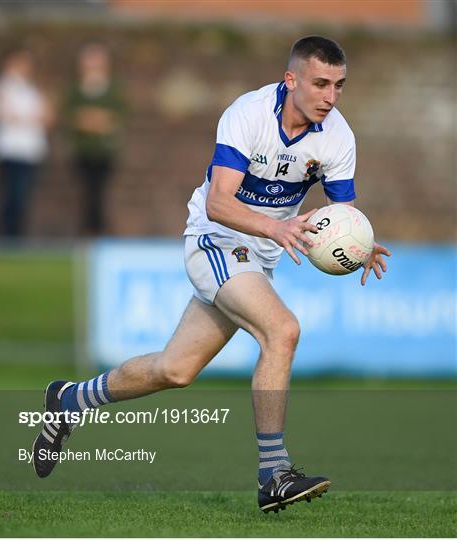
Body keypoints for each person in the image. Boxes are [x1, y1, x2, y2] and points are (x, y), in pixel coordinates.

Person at [32, 36, 390, 513]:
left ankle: (70, 399)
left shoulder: (339, 137)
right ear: (292, 80)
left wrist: (358, 245)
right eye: (321, 83)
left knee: (175, 370)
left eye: (339, 85)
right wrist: (274, 226)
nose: (331, 96)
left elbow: (341, 215)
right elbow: (220, 202)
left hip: (257, 257)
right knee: (282, 331)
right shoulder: (248, 114)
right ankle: (273, 473)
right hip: (214, 240)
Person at [0, 49, 54, 237]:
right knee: (11, 194)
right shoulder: (2, 88)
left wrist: (28, 118)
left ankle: (16, 234)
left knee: (22, 195)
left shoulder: (32, 90)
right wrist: (30, 118)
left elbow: (48, 117)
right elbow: (7, 115)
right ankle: (7, 235)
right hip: (10, 150)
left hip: (30, 151)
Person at [63, 42, 126, 235]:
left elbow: (117, 117)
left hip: (104, 152)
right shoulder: (76, 88)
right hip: (83, 151)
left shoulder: (112, 87)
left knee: (100, 193)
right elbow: (71, 116)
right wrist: (95, 121)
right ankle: (87, 230)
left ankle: (98, 230)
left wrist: (92, 120)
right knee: (85, 193)